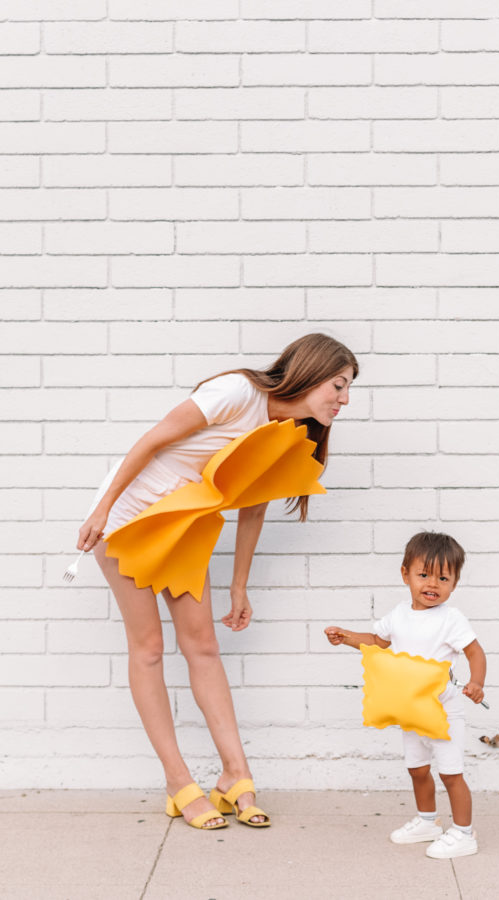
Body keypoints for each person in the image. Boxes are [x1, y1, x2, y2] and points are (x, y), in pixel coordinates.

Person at [77, 333, 358, 831]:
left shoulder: (288, 429)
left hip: (183, 526)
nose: (345, 399)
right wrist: (101, 510)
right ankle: (177, 782)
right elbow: (154, 439)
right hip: (127, 520)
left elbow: (253, 507)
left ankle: (235, 775)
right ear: (311, 372)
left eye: (348, 389)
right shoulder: (237, 392)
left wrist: (238, 585)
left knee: (203, 645)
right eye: (339, 385)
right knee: (147, 647)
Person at [324, 531, 486, 859]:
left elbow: (475, 653)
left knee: (451, 772)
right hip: (411, 711)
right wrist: (347, 637)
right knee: (416, 768)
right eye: (423, 574)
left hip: (443, 712)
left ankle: (464, 833)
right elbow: (378, 640)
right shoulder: (398, 615)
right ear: (405, 574)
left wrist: (477, 682)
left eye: (443, 577)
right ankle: (428, 822)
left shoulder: (451, 619)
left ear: (454, 583)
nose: (432, 584)